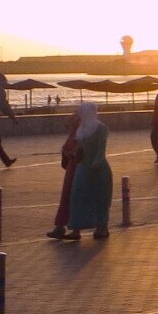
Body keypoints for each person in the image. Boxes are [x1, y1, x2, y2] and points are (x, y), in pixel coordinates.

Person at [64, 102, 114, 240]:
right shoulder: (81, 129)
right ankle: (76, 230)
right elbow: (80, 149)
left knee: (101, 199)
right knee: (77, 198)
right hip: (83, 168)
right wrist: (72, 153)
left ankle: (102, 228)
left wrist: (96, 163)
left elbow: (101, 149)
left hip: (99, 170)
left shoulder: (101, 128)